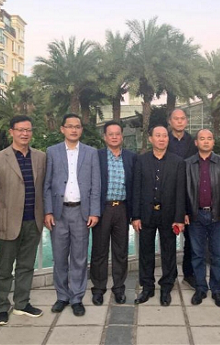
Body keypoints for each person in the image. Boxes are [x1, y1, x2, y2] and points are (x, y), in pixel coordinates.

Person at [0, 115, 46, 325]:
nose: (25, 133)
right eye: (20, 130)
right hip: (8, 223)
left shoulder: (41, 157)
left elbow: (43, 188)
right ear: (11, 132)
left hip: (33, 221)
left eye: (28, 130)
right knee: (5, 268)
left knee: (26, 266)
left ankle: (22, 303)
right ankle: (1, 307)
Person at [44, 114, 101, 317]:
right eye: (70, 126)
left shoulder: (91, 153)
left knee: (79, 257)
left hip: (81, 212)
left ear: (81, 130)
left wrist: (94, 211)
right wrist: (48, 211)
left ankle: (77, 298)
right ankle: (62, 296)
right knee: (59, 257)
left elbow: (96, 184)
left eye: (77, 126)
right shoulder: (52, 152)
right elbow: (47, 184)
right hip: (58, 213)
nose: (74, 130)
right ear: (62, 129)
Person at [132, 125, 186, 306]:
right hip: (146, 214)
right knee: (145, 251)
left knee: (169, 252)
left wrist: (179, 218)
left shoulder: (178, 162)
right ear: (150, 139)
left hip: (169, 215)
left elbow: (180, 192)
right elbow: (136, 189)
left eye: (164, 136)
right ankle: (147, 287)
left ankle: (166, 287)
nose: (162, 139)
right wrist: (135, 216)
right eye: (158, 135)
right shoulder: (141, 161)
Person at [185, 129, 220, 307]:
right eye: (202, 138)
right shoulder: (188, 164)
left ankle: (216, 289)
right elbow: (182, 190)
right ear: (196, 142)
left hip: (218, 215)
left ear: (213, 142)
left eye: (209, 138)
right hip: (196, 215)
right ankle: (200, 288)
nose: (205, 141)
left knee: (217, 255)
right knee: (197, 255)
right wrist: (184, 212)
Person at [90, 121, 136, 306]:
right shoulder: (97, 156)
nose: (114, 137)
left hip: (122, 209)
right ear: (105, 137)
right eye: (111, 134)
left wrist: (134, 213)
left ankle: (119, 288)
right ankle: (98, 289)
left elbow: (135, 185)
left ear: (122, 136)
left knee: (121, 251)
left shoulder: (131, 157)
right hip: (103, 209)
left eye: (118, 133)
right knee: (99, 251)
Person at [167, 108, 197, 288]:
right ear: (170, 121)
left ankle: (189, 274)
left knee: (191, 239)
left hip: (190, 194)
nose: (179, 121)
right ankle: (169, 276)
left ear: (186, 121)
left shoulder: (194, 142)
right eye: (175, 118)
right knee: (168, 239)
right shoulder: (164, 140)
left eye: (182, 118)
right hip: (168, 194)